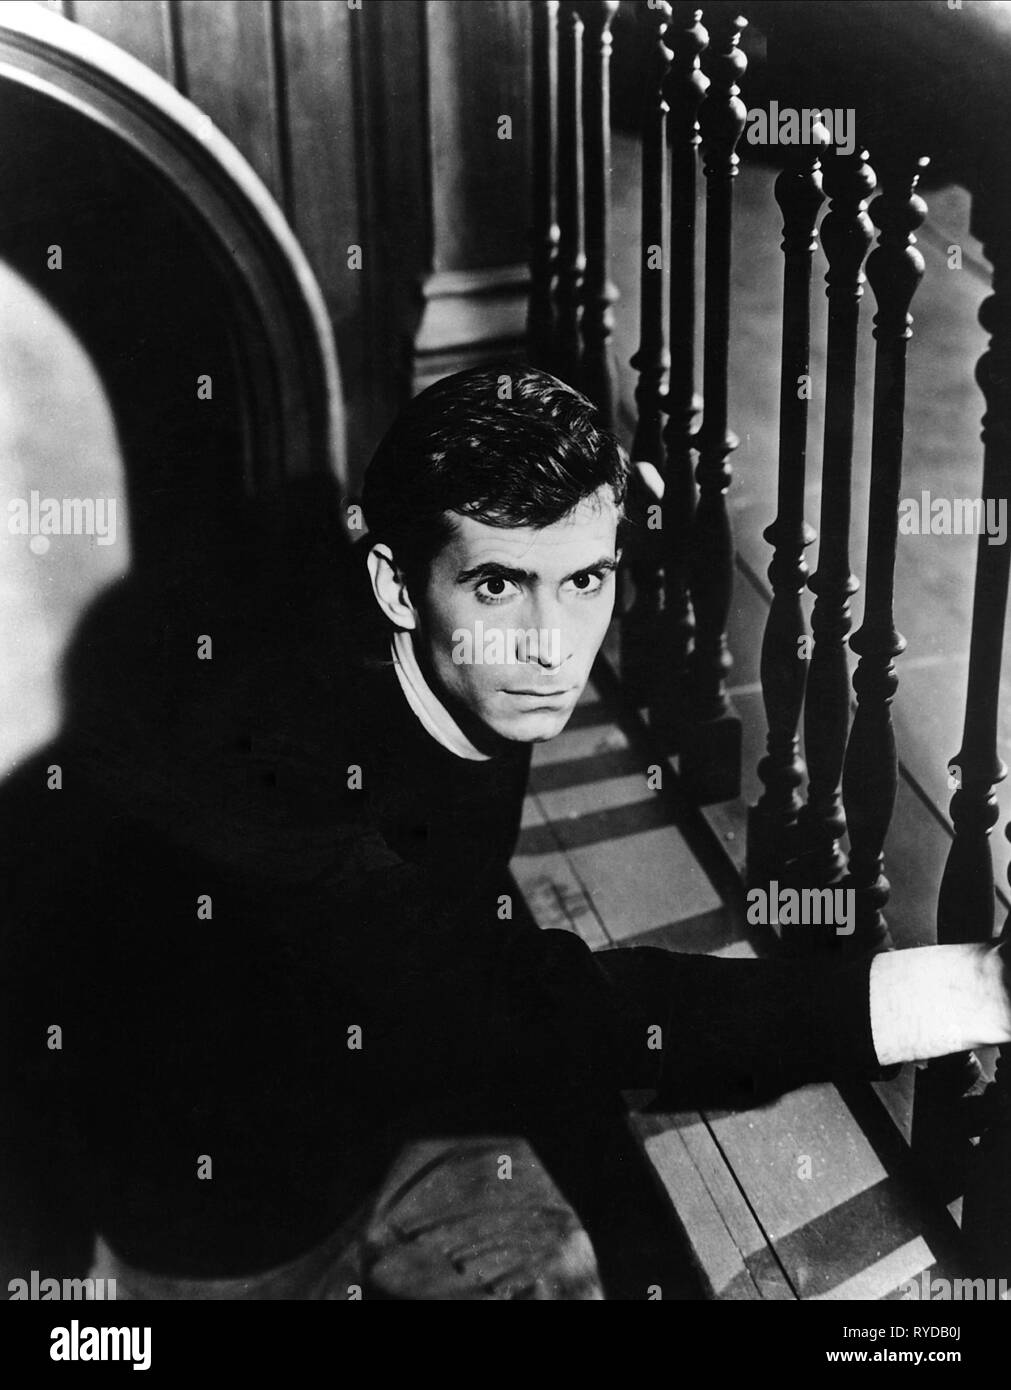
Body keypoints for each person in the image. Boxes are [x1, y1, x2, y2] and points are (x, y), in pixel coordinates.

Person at [2, 365, 1009, 1300]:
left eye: (585, 582)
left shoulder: (465, 651)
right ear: (396, 585)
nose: (552, 649)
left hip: (400, 1090)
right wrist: (968, 988)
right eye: (497, 586)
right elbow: (549, 1012)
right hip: (233, 1213)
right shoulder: (284, 782)